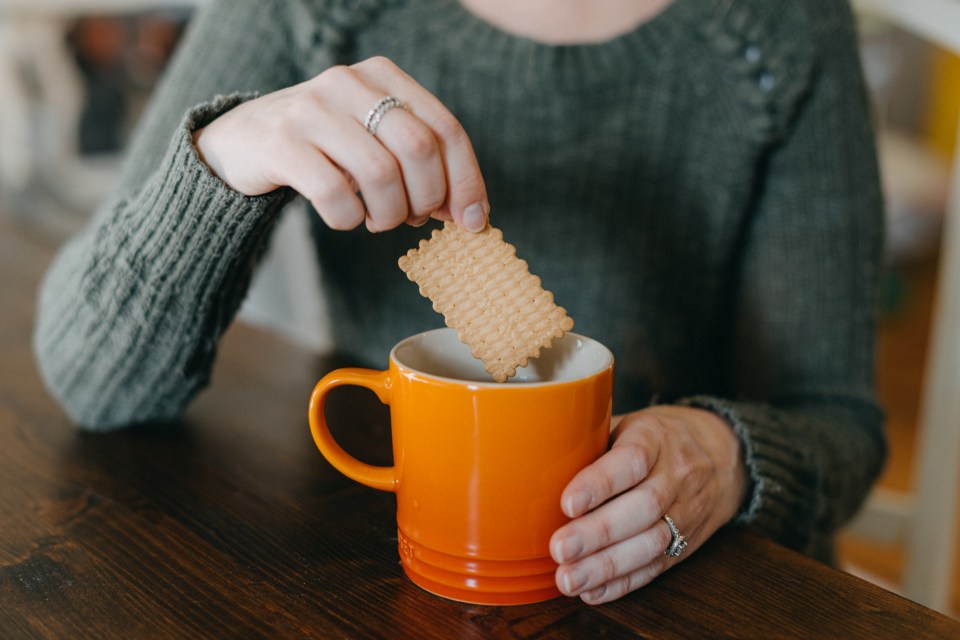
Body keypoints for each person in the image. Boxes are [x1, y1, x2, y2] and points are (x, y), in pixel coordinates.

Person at [33, 0, 887, 605]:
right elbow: (92, 382)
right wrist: (225, 157)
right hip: (390, 580)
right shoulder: (312, 7)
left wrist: (728, 456)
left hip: (690, 589)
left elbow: (839, 421)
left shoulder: (781, 27)